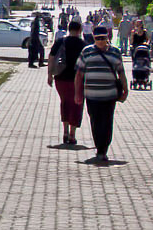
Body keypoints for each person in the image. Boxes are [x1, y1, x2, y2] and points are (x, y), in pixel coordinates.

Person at [74, 25, 128, 164]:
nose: (100, 41)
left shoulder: (115, 52)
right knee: (95, 122)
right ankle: (99, 148)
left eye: (103, 38)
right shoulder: (86, 52)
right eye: (98, 39)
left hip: (109, 95)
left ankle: (104, 149)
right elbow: (79, 74)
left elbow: (121, 72)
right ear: (93, 38)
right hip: (91, 95)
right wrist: (77, 93)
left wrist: (125, 90)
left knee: (107, 122)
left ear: (107, 38)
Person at [47, 20, 86, 145]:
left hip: (61, 78)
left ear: (69, 29)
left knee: (64, 102)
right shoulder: (83, 45)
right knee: (76, 104)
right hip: (77, 79)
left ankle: (65, 131)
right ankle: (72, 134)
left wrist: (49, 74)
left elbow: (51, 57)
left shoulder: (60, 42)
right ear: (80, 30)